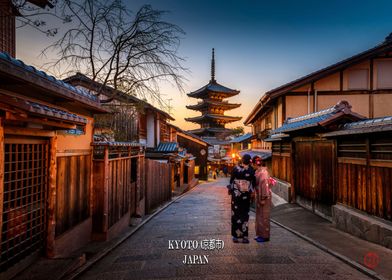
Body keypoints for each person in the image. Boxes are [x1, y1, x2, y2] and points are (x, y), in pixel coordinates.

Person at [228, 154, 256, 243]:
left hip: (236, 195)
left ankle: (235, 236)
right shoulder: (251, 170)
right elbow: (253, 183)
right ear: (250, 161)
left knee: (235, 214)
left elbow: (231, 181)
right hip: (246, 196)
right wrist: (252, 192)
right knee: (244, 215)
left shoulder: (235, 169)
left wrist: (231, 190)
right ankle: (245, 237)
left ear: (242, 160)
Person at [253, 155, 272, 242]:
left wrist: (263, 197)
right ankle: (260, 234)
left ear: (255, 164)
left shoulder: (263, 173)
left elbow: (264, 185)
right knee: (259, 216)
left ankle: (264, 236)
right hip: (259, 195)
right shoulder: (258, 171)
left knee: (264, 216)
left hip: (264, 196)